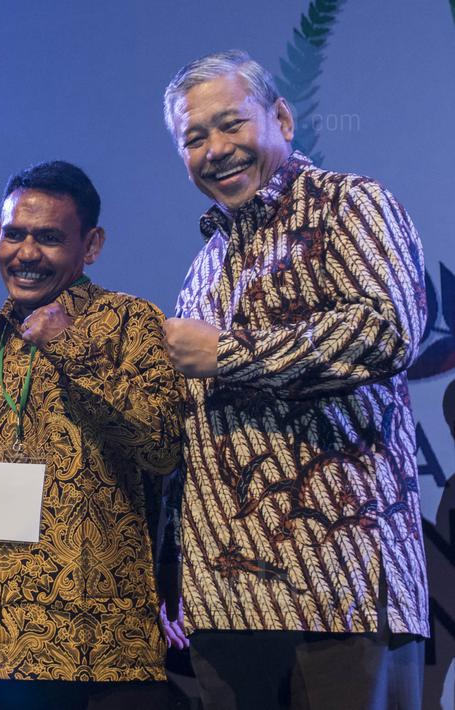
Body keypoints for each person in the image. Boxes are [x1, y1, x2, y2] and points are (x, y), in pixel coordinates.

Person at [161, 49, 428, 709]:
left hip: (339, 594)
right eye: (193, 138)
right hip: (226, 605)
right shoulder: (205, 265)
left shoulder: (349, 204)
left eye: (230, 125)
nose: (214, 149)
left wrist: (227, 352)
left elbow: (385, 330)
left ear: (279, 116)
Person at [0, 160, 182, 709]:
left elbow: (162, 447)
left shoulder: (128, 323)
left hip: (100, 652)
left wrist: (70, 346)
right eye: (13, 234)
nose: (25, 253)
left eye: (48, 238)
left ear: (90, 245)